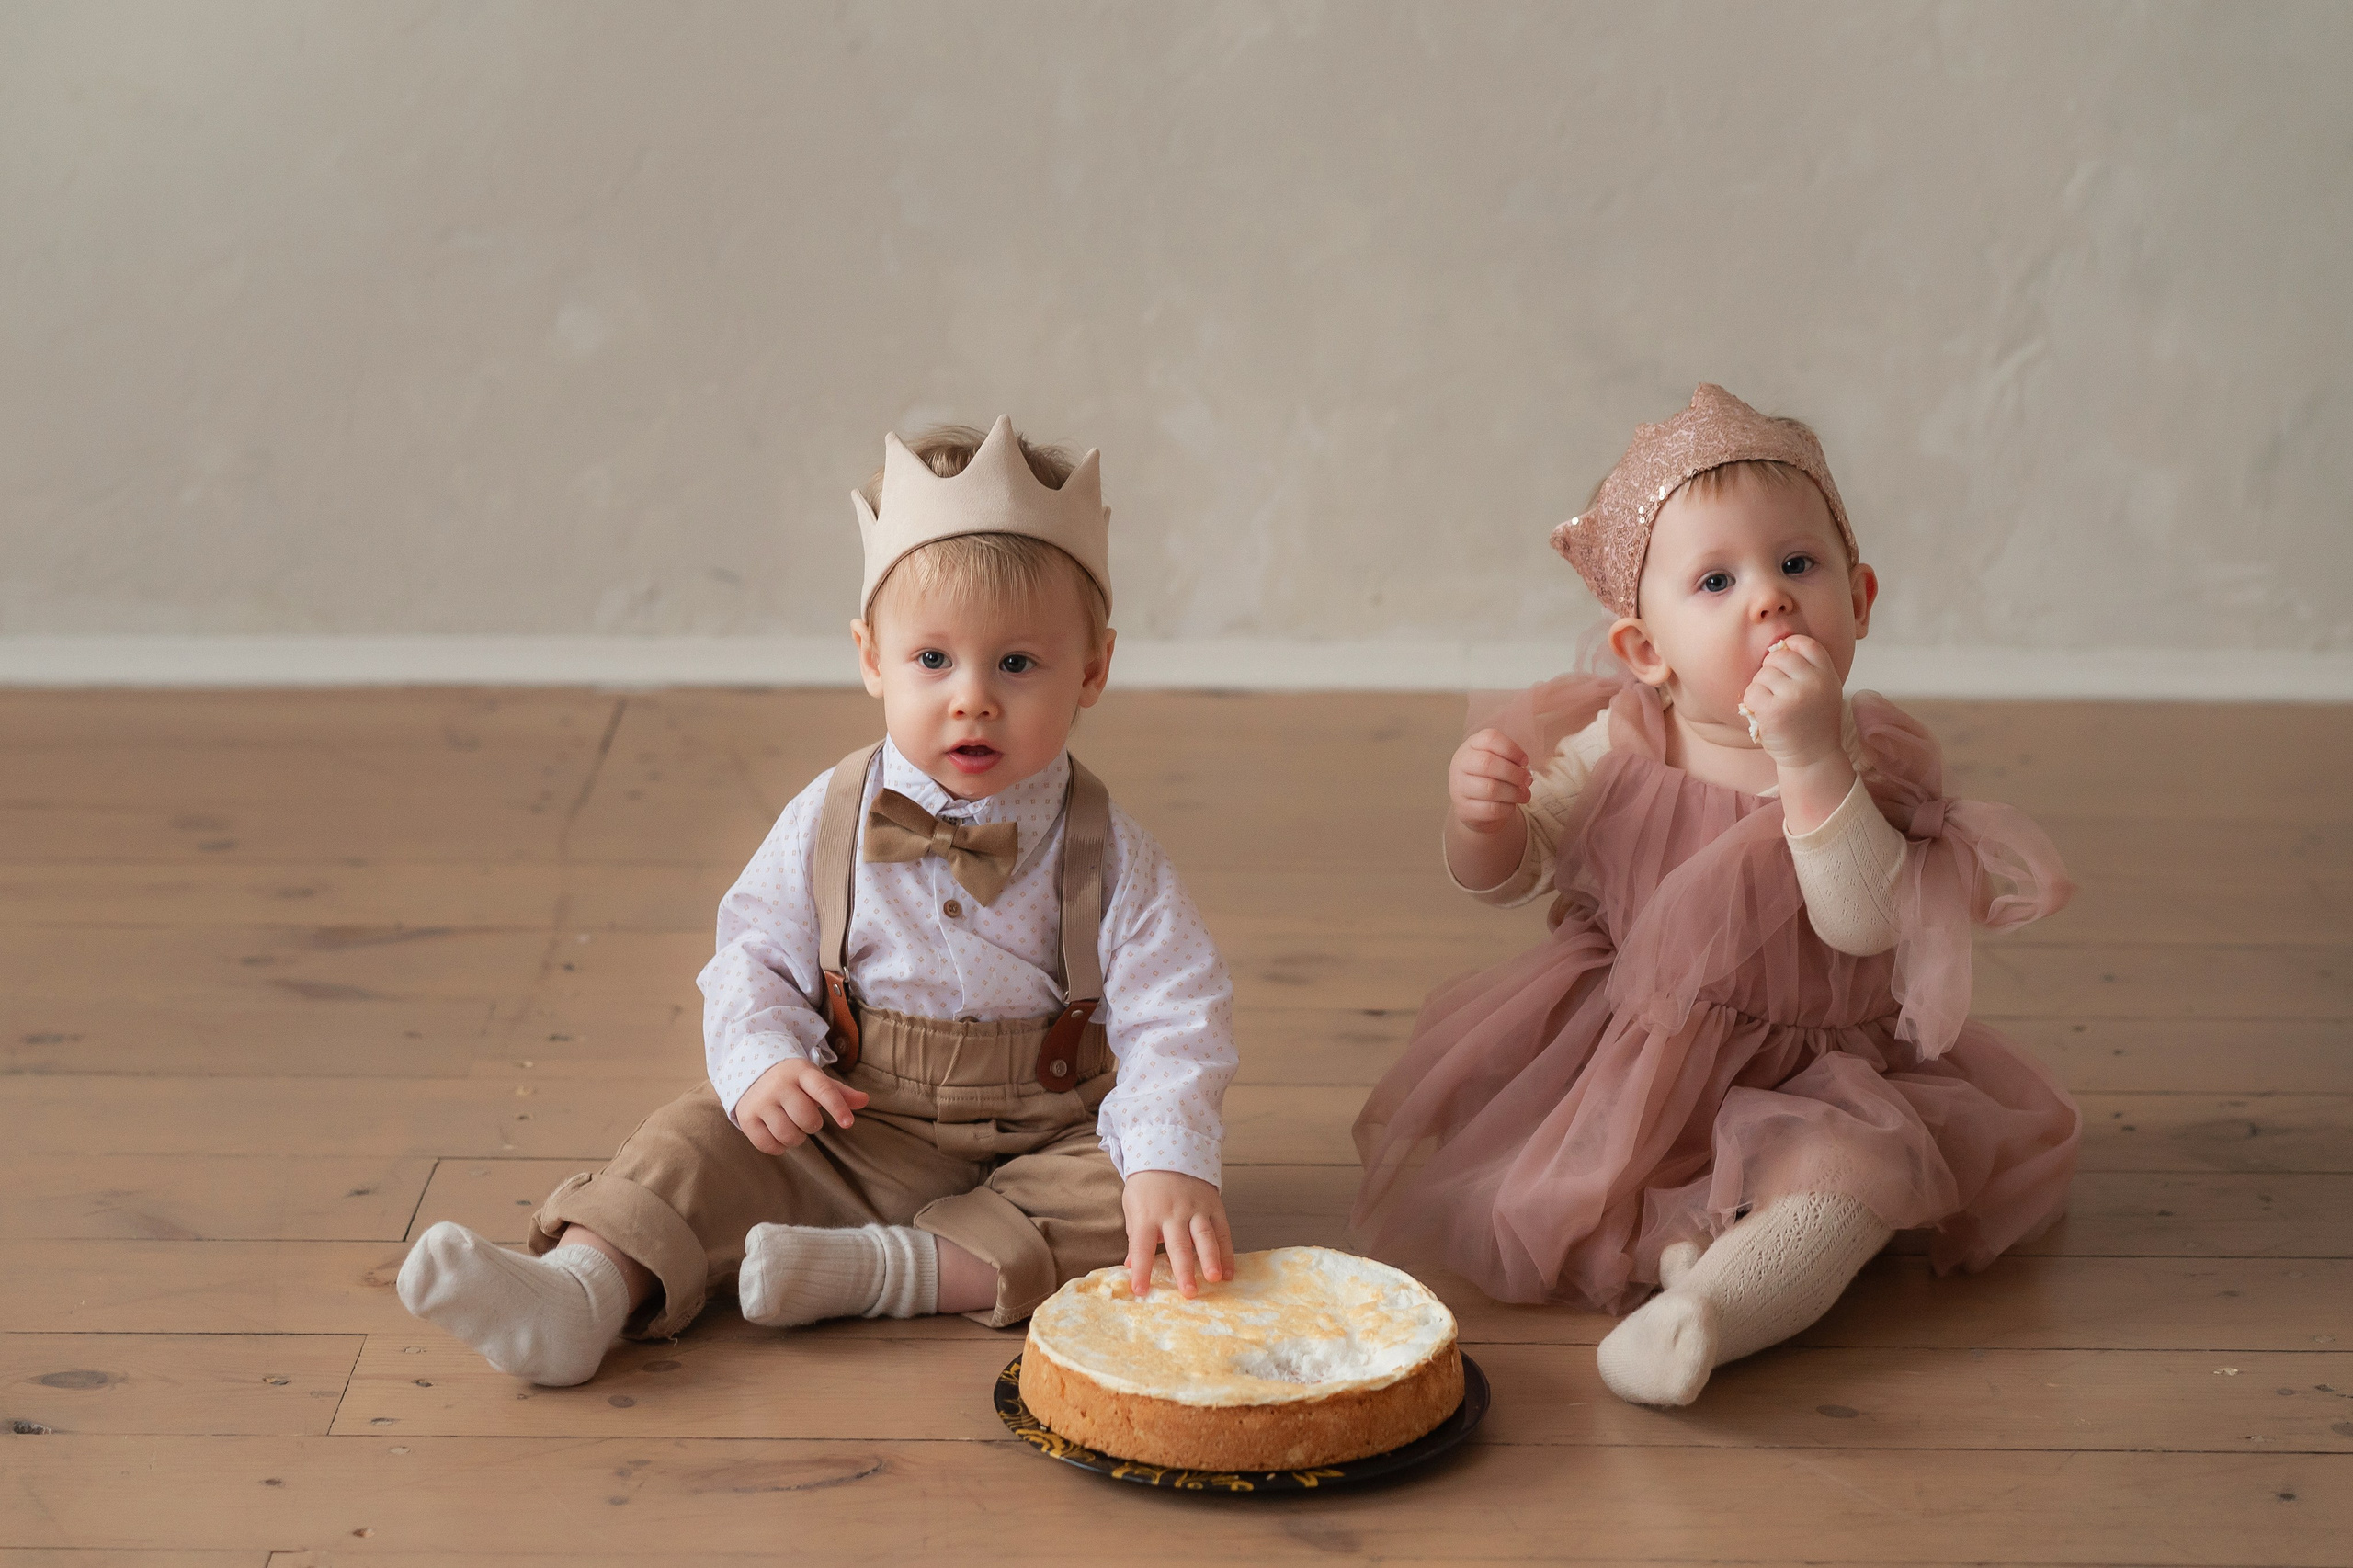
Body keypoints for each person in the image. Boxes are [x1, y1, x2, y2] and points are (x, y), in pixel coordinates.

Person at [400, 416, 1239, 1385]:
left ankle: (874, 1272)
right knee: (693, 1136)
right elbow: (753, 951)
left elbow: (1177, 1007)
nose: (972, 698)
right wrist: (765, 1062)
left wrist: (1168, 1158)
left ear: (1091, 667)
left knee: (1135, 1210)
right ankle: (583, 1288)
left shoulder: (1110, 846)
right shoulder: (830, 814)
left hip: (1044, 1133)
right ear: (871, 657)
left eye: (1017, 663)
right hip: (852, 1119)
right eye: (933, 660)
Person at [1353, 384, 2080, 1406]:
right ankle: (1687, 1262)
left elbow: (1863, 918)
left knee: (1846, 1184)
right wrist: (1482, 823)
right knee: (1598, 1192)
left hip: (1824, 1069)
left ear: (1859, 599)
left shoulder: (1870, 757)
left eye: (1796, 564)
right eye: (1714, 579)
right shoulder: (1619, 746)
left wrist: (1810, 760)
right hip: (1637, 1067)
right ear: (1643, 650)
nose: (1769, 597)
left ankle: (1711, 1312)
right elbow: (1506, 878)